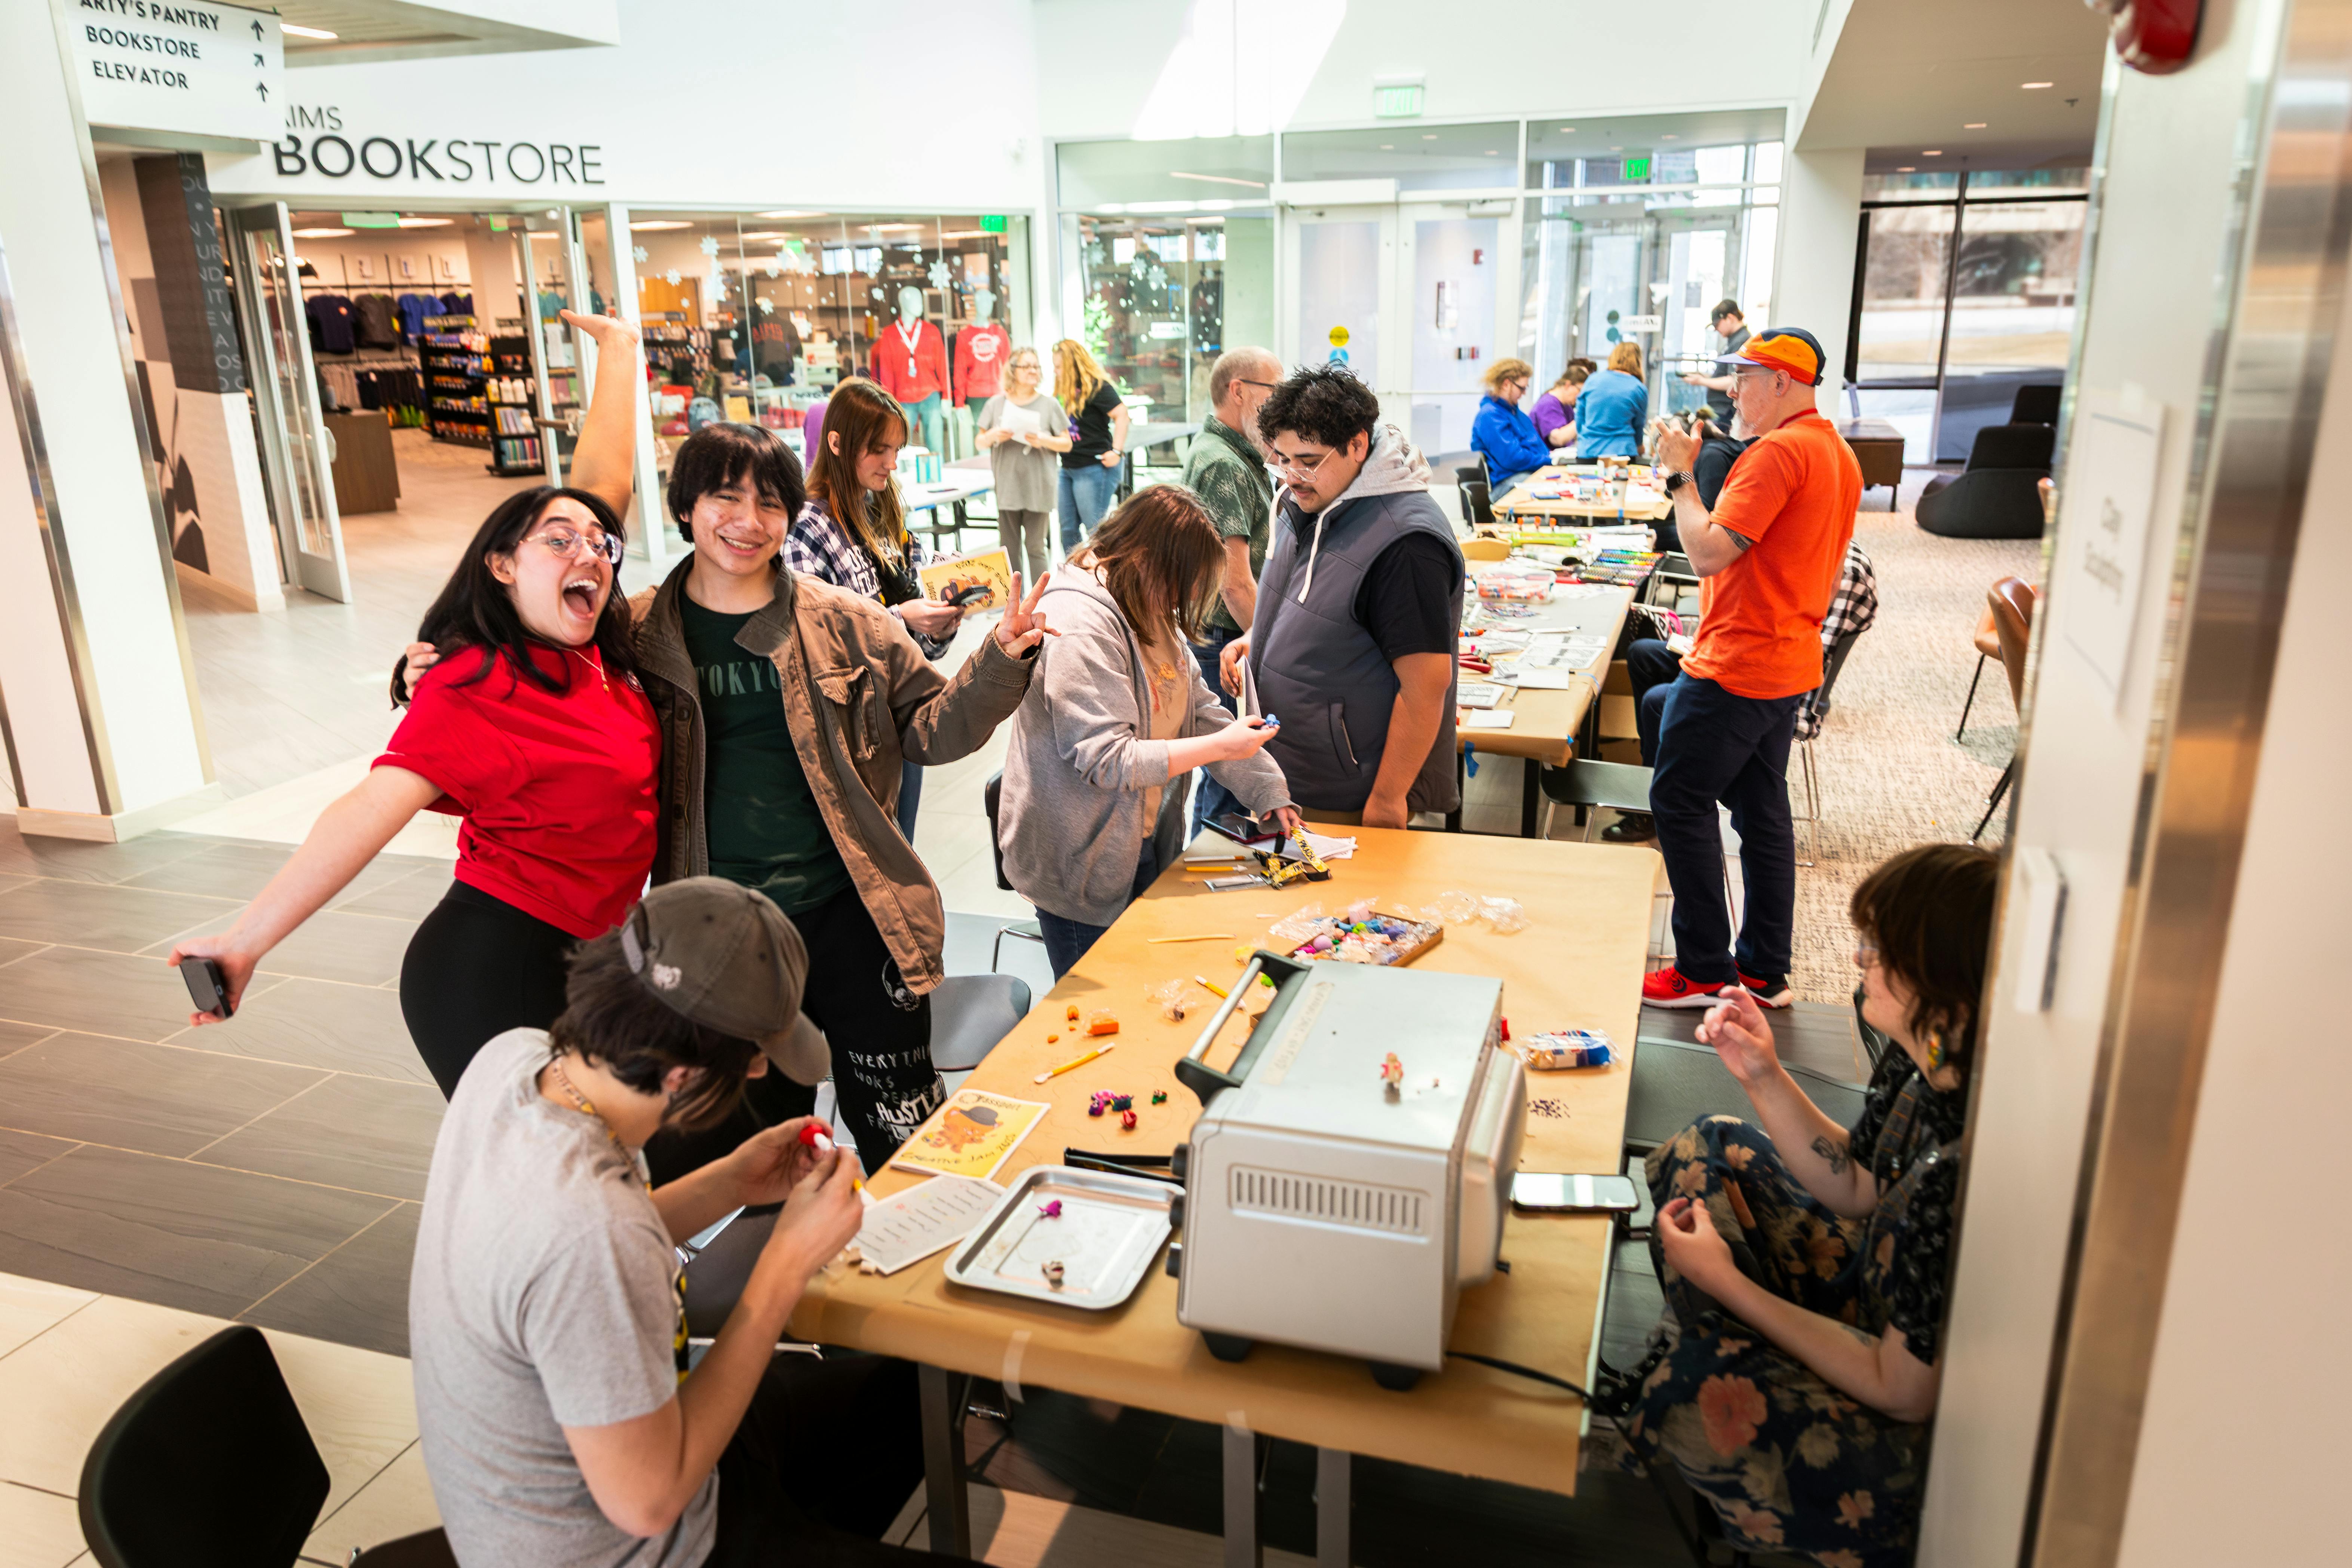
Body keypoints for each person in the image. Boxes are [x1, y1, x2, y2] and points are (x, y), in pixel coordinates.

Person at [401, 417, 1054, 1170]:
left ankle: (920, 1232)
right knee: (753, 1135)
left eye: (770, 502)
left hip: (853, 913)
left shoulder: (849, 622)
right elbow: (532, 658)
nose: (748, 521)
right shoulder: (631, 633)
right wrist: (441, 670)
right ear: (685, 507)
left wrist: (1001, 658)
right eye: (725, 497)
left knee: (900, 1118)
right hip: (716, 934)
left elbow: (932, 730)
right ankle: (789, 1237)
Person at [166, 312, 653, 1095]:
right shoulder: (474, 683)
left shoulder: (596, 646)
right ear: (501, 564)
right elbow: (365, 811)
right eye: (560, 539)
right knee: (535, 1156)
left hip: (595, 956)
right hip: (496, 968)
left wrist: (621, 350)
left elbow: (602, 484)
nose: (589, 551)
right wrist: (245, 940)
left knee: (593, 1153)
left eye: (601, 543)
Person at [410, 874, 943, 1567]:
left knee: (914, 1396)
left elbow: (570, 1264)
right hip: (625, 1544)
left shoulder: (514, 1058)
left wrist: (730, 1181)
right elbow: (649, 1503)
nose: (758, 1074)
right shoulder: (591, 1230)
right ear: (683, 1076)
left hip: (624, 1466)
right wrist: (784, 1263)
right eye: (751, 1058)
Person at [1610, 843, 1997, 1567]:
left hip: (1899, 1429)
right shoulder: (1929, 1057)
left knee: (1693, 1389)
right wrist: (1761, 1072)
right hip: (1872, 1290)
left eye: (1880, 950)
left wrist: (1727, 1281)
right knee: (1709, 1144)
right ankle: (1729, 1336)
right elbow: (1854, 1183)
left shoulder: (1962, 1169)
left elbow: (1898, 1390)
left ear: (1946, 994)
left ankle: (1724, 1348)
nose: (1859, 959)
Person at [1637, 328, 1859, 1008]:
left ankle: (1703, 968)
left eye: (1745, 378)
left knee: (1678, 801)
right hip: (1788, 659)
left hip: (1737, 662)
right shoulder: (1837, 454)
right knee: (1762, 814)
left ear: (1782, 383)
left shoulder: (1777, 453)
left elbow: (1706, 553)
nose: (1733, 391)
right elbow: (1823, 576)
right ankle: (1763, 970)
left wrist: (1680, 474)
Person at [1000, 487, 1300, 977]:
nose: (1182, 602)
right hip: (1080, 860)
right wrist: (1221, 745)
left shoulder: (1144, 600)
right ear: (1146, 560)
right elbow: (1107, 759)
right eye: (1180, 586)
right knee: (1105, 1003)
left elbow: (1199, 708)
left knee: (1147, 982)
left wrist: (1268, 791)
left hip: (1135, 840)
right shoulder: (1078, 624)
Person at [1218, 364, 1465, 830]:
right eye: (1282, 459)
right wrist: (1259, 637)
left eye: (1308, 460)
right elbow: (1316, 602)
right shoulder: (1309, 500)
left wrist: (1388, 798)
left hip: (1350, 789)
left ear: (1358, 445)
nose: (1292, 475)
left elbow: (1427, 683)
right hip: (1289, 771)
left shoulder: (1405, 544)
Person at [1609, 531, 1877, 844]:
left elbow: (1814, 655)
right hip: (1743, 657)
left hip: (1770, 686)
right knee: (1644, 655)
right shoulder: (1806, 542)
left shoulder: (1842, 569)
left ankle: (1664, 797)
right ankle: (1658, 779)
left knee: (1657, 702)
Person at [786, 379, 968, 841]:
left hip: (900, 715)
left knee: (901, 847)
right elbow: (812, 642)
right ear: (837, 443)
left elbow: (920, 645)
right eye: (879, 450)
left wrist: (941, 618)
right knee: (869, 855)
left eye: (896, 450)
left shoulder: (883, 514)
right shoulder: (806, 527)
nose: (891, 463)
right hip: (850, 735)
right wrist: (903, 617)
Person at [1179, 345, 1282, 835]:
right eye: (1273, 392)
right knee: (1231, 772)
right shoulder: (1223, 463)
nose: (1280, 404)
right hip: (1225, 637)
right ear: (1238, 391)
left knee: (1228, 768)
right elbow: (1235, 584)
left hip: (1226, 636)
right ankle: (1207, 863)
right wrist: (1272, 646)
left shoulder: (1237, 454)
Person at [974, 346, 1071, 586]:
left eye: (1036, 366)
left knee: (1036, 547)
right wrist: (994, 435)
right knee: (1009, 549)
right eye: (1027, 366)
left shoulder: (1049, 404)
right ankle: (1014, 602)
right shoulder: (996, 404)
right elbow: (980, 441)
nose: (1033, 371)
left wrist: (1044, 440)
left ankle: (1041, 600)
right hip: (1008, 487)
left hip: (1039, 487)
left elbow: (1067, 443)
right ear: (1013, 370)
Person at [1052, 338, 1129, 555]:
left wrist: (1117, 451)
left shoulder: (1097, 386)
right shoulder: (1063, 391)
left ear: (1071, 365)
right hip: (1068, 467)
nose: (1056, 372)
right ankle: (1072, 573)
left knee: (1095, 531)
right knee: (1068, 530)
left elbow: (1122, 415)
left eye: (1059, 367)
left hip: (1093, 468)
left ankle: (1102, 573)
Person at [1469, 358, 1553, 493]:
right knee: (1550, 490)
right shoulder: (1490, 416)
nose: (1524, 393)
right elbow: (1514, 459)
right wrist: (1550, 460)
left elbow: (1538, 448)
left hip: (1525, 475)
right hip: (1507, 482)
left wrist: (1551, 459)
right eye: (1522, 388)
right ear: (1506, 384)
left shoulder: (1517, 414)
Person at [1678, 300, 1752, 426]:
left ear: (1730, 318)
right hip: (1722, 409)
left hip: (1726, 411)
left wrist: (1701, 381)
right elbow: (1726, 376)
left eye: (1718, 324)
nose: (1717, 329)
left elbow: (1734, 382)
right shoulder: (1735, 340)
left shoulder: (1741, 341)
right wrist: (1704, 377)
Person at [1575, 341, 1650, 459]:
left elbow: (1580, 418)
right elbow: (1639, 426)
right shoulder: (1638, 388)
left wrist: (1585, 440)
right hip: (1622, 454)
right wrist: (1640, 447)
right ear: (1638, 361)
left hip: (1588, 452)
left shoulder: (1592, 380)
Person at [1531, 359, 1595, 449]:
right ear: (1568, 385)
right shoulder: (1548, 404)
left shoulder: (1566, 406)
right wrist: (1582, 416)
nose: (1581, 396)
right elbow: (1558, 439)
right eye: (1580, 391)